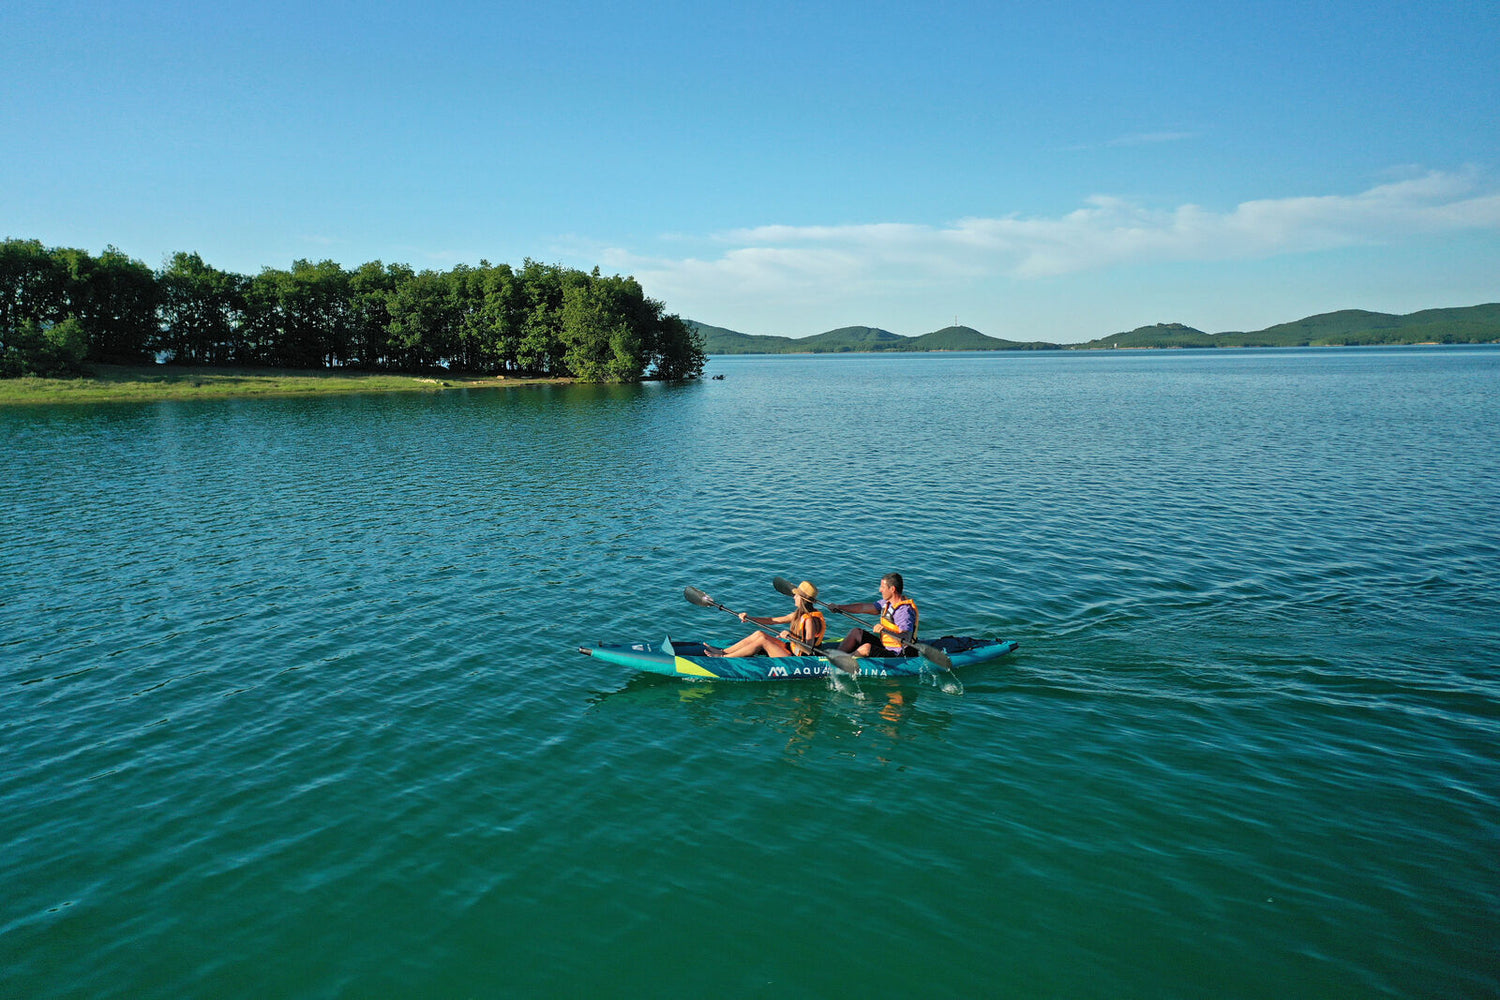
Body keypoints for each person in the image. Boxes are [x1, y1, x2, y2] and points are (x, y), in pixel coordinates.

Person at [708, 581, 826, 657]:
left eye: (797, 595)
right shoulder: (798, 614)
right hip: (793, 649)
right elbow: (772, 621)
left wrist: (790, 637)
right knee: (759, 634)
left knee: (762, 641)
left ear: (803, 599)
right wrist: (749, 618)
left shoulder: (810, 621)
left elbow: (808, 650)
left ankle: (724, 658)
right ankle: (724, 651)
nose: (794, 597)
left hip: (799, 659)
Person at [831, 572, 919, 657]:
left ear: (892, 589)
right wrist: (839, 607)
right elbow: (862, 608)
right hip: (885, 645)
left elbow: (906, 638)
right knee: (856, 632)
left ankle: (842, 662)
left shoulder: (904, 611)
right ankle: (835, 656)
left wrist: (885, 630)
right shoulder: (886, 603)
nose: (880, 590)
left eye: (882, 587)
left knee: (866, 648)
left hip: (898, 653)